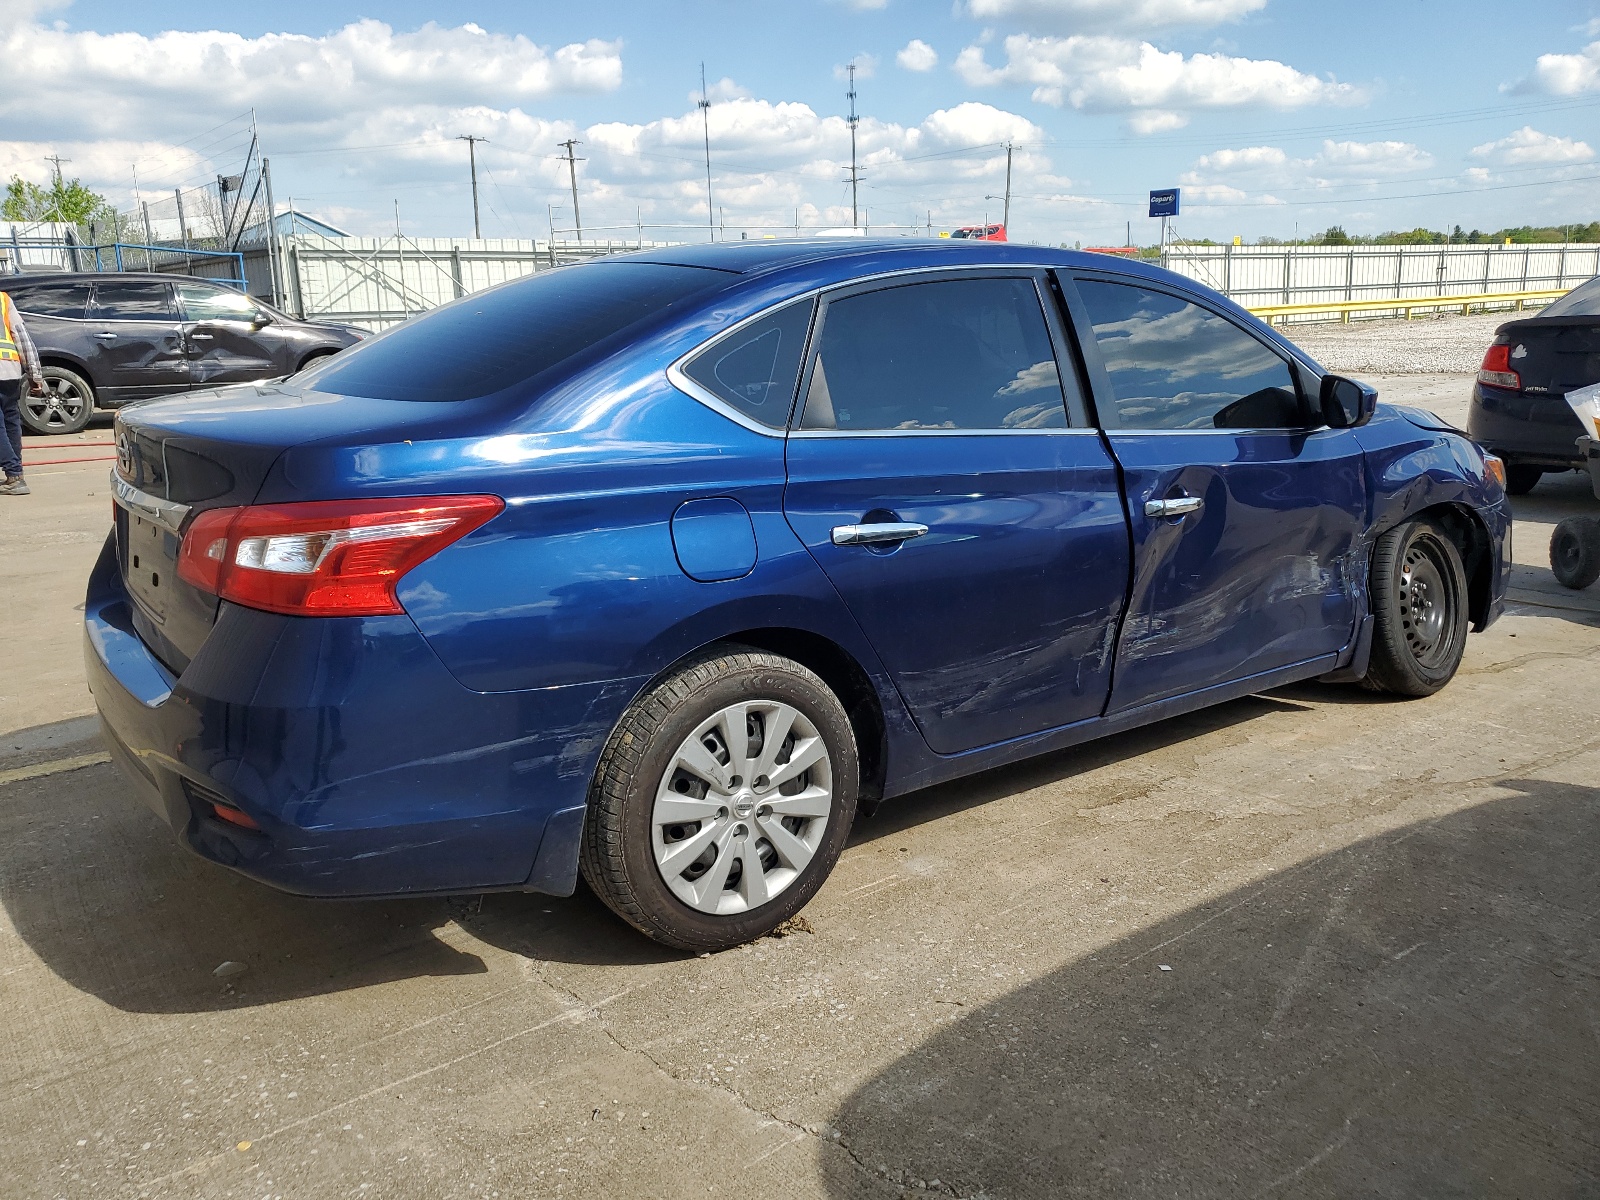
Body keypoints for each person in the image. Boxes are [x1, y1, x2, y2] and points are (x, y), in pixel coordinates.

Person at [0, 288, 45, 496]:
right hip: (9, 369)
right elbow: (22, 338)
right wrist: (35, 375)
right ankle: (16, 474)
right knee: (10, 420)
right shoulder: (3, 299)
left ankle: (13, 474)